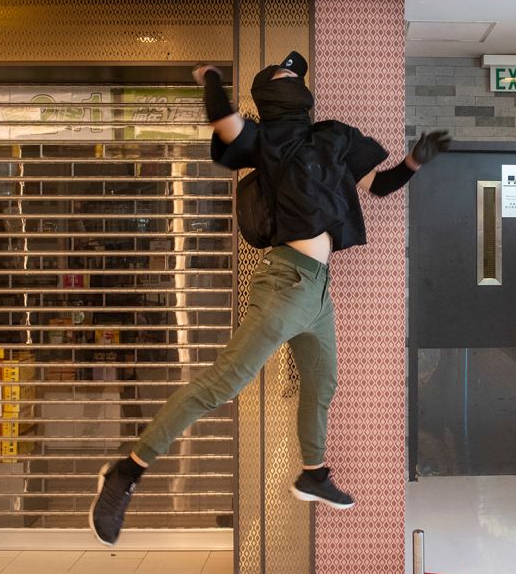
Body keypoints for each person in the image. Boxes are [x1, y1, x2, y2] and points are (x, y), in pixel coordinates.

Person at [90, 51, 450, 546]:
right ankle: (127, 471)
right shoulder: (265, 141)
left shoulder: (334, 137)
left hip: (319, 290)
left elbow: (380, 186)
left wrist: (413, 161)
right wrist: (211, 79)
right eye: (283, 76)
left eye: (295, 75)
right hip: (285, 283)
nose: (292, 79)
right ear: (267, 92)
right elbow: (224, 120)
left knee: (323, 384)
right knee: (221, 385)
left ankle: (313, 473)